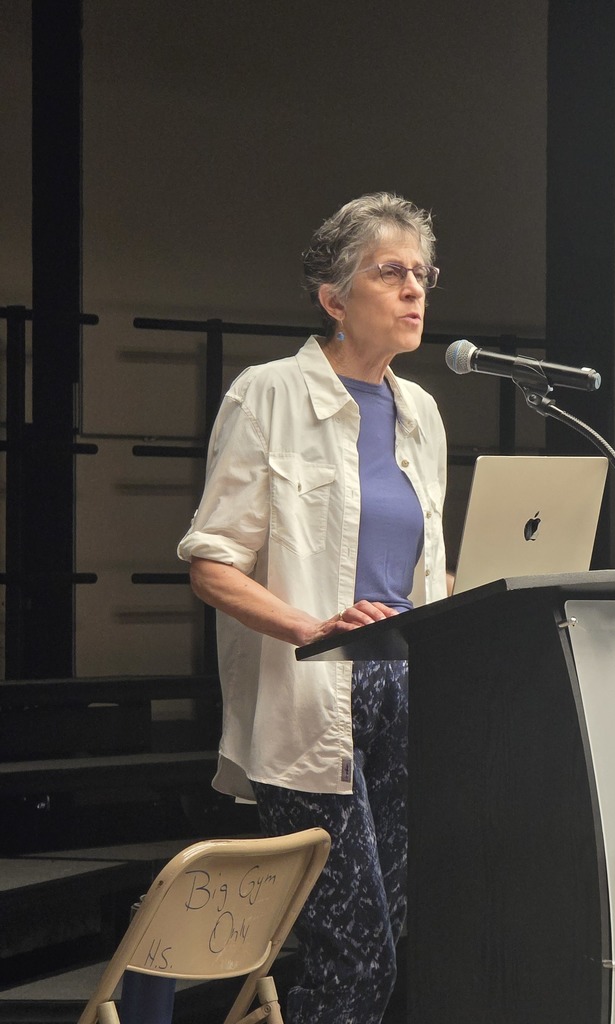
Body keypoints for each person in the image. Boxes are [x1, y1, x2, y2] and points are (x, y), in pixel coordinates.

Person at [177, 192, 449, 1024]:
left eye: (423, 274)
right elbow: (212, 562)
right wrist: (309, 627)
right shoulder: (269, 394)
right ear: (334, 298)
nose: (414, 291)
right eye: (390, 272)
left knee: (385, 944)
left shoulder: (422, 413)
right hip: (310, 701)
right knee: (355, 955)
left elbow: (426, 575)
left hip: (406, 695)